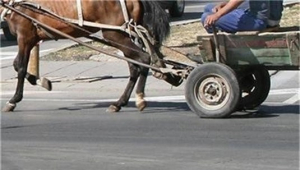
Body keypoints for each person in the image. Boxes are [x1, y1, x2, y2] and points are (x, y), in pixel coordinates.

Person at [201, 0, 283, 33]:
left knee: (206, 17)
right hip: (271, 18)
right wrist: (226, 4)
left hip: (259, 21)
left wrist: (217, 15)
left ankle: (219, 46)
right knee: (209, 7)